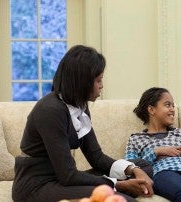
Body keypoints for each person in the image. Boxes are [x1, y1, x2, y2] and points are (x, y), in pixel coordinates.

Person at [12, 45, 153, 202]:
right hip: (37, 185)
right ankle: (123, 190)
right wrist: (119, 185)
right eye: (98, 80)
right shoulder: (50, 110)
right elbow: (68, 176)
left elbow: (96, 157)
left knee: (143, 166)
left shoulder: (80, 106)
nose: (102, 86)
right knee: (121, 199)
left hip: (63, 178)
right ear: (82, 82)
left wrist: (131, 169)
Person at [125, 87, 181, 202]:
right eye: (167, 105)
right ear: (151, 110)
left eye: (173, 106)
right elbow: (130, 167)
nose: (172, 109)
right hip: (161, 172)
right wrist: (156, 152)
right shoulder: (136, 138)